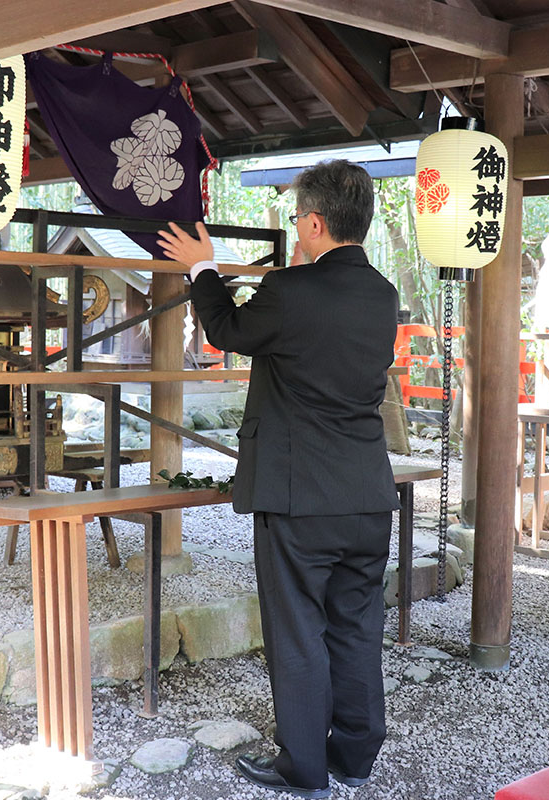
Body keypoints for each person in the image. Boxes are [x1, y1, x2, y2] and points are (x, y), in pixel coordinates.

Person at [157, 159, 399, 799]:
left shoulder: (291, 291)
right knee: (355, 627)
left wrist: (203, 268)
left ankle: (304, 767)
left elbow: (228, 330)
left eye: (297, 220)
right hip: (368, 496)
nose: (295, 231)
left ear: (315, 223)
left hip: (299, 499)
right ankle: (354, 755)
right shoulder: (383, 295)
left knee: (298, 632)